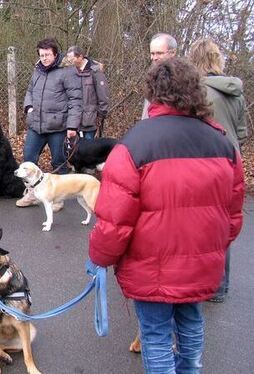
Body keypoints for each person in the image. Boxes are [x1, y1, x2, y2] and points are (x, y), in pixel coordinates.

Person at [89, 57, 244, 373]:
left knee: (157, 336)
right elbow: (233, 215)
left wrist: (99, 256)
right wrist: (210, 249)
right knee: (190, 321)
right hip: (200, 263)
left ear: (153, 94)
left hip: (151, 268)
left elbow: (114, 221)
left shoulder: (134, 144)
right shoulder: (223, 143)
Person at [189, 38, 249, 303]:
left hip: (203, 163)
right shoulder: (236, 92)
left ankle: (196, 283)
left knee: (197, 224)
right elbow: (242, 133)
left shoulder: (195, 91)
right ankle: (219, 287)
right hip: (231, 163)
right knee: (222, 226)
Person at [16, 38, 82, 208]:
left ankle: (58, 199)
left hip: (58, 127)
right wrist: (28, 107)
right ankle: (31, 194)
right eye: (41, 55)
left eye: (47, 55)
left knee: (58, 161)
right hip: (36, 125)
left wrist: (72, 126)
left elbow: (76, 100)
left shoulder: (67, 72)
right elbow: (30, 91)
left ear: (55, 54)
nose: (44, 58)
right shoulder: (37, 70)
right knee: (29, 159)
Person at [65, 46, 109, 139]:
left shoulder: (95, 72)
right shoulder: (69, 72)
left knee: (90, 151)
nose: (69, 61)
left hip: (91, 122)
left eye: (72, 58)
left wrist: (100, 117)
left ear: (80, 57)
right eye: (68, 58)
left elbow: (103, 96)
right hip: (74, 122)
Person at [141, 33, 177, 119]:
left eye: (159, 53)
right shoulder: (152, 78)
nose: (154, 58)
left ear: (173, 52)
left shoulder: (182, 79)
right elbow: (146, 113)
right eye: (152, 54)